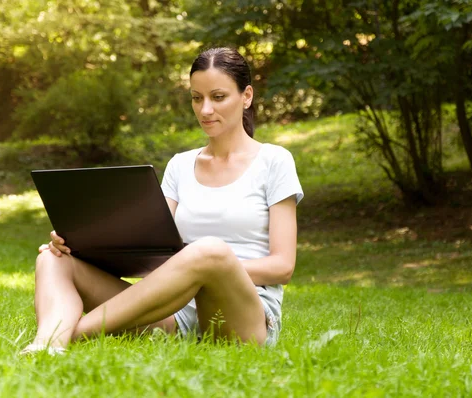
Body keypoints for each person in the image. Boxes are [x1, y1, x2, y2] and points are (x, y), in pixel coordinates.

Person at [20, 47, 303, 355]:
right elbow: (151, 252)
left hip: (245, 317)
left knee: (209, 252)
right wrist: (76, 245)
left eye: (218, 97)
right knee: (52, 259)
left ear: (246, 96)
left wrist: (205, 270)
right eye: (197, 98)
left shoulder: (274, 161)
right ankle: (45, 346)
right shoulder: (181, 165)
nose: (205, 109)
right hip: (176, 313)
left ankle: (70, 336)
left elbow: (283, 266)